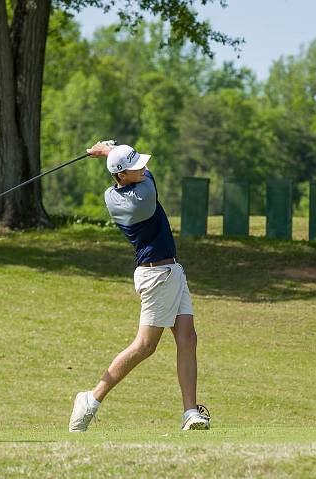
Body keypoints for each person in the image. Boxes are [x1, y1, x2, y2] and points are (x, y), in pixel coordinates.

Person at [69, 142, 211, 432]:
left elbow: (124, 172)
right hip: (158, 275)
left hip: (170, 270)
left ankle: (190, 413)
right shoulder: (144, 195)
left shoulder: (113, 194)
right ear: (122, 175)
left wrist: (110, 154)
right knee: (145, 346)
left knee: (188, 337)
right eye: (136, 167)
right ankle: (90, 400)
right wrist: (109, 151)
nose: (143, 168)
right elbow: (147, 178)